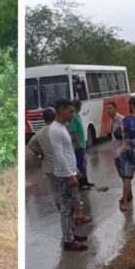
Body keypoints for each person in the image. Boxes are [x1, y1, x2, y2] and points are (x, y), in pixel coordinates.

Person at [50, 97, 88, 251]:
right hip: (64, 176)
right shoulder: (55, 129)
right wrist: (69, 175)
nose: (72, 114)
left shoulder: (62, 127)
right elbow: (58, 155)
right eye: (70, 111)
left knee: (72, 207)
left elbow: (68, 152)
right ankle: (68, 241)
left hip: (70, 172)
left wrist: (75, 170)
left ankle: (71, 233)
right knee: (66, 209)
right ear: (61, 110)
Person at [27, 107, 59, 209]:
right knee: (66, 191)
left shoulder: (40, 132)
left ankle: (61, 209)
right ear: (55, 116)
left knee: (55, 191)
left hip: (48, 168)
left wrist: (40, 152)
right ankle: (70, 215)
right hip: (61, 166)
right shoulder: (59, 129)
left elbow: (30, 144)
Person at [105, 102, 132, 203]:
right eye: (106, 109)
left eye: (110, 108)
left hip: (122, 152)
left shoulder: (121, 119)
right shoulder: (111, 120)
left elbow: (127, 135)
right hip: (116, 152)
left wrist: (124, 149)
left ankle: (127, 196)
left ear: (115, 108)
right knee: (122, 175)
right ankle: (129, 194)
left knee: (125, 175)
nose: (108, 111)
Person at [69, 99, 94, 190]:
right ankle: (81, 184)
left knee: (84, 164)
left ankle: (85, 181)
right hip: (78, 146)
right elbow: (73, 133)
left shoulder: (77, 116)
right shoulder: (73, 117)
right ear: (76, 106)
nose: (81, 107)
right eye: (80, 105)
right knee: (80, 165)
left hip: (82, 145)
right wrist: (79, 144)